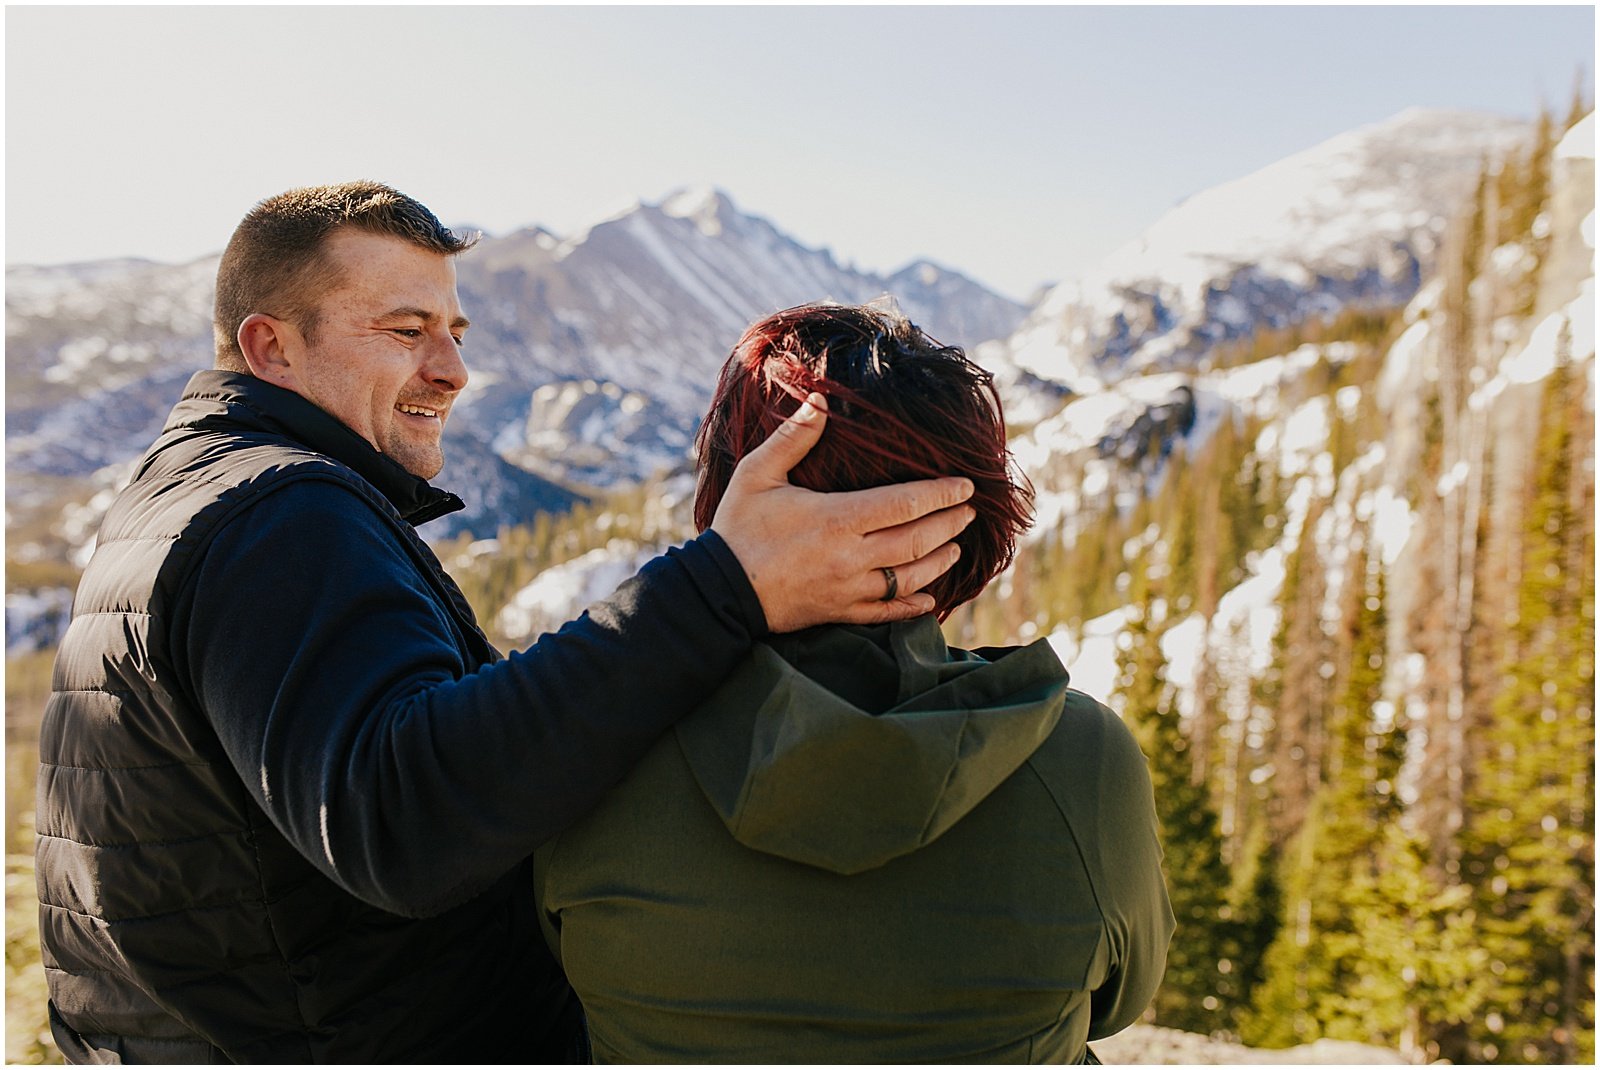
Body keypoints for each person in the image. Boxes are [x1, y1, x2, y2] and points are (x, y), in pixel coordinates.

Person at [34, 184, 976, 1063]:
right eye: (407, 331)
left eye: (453, 330)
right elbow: (403, 819)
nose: (451, 370)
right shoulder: (280, 516)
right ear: (273, 347)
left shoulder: (185, 500)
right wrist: (726, 588)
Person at [533, 302, 1175, 1063]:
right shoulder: (1077, 759)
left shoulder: (589, 740)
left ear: (730, 500)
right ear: (966, 523)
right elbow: (1119, 1001)